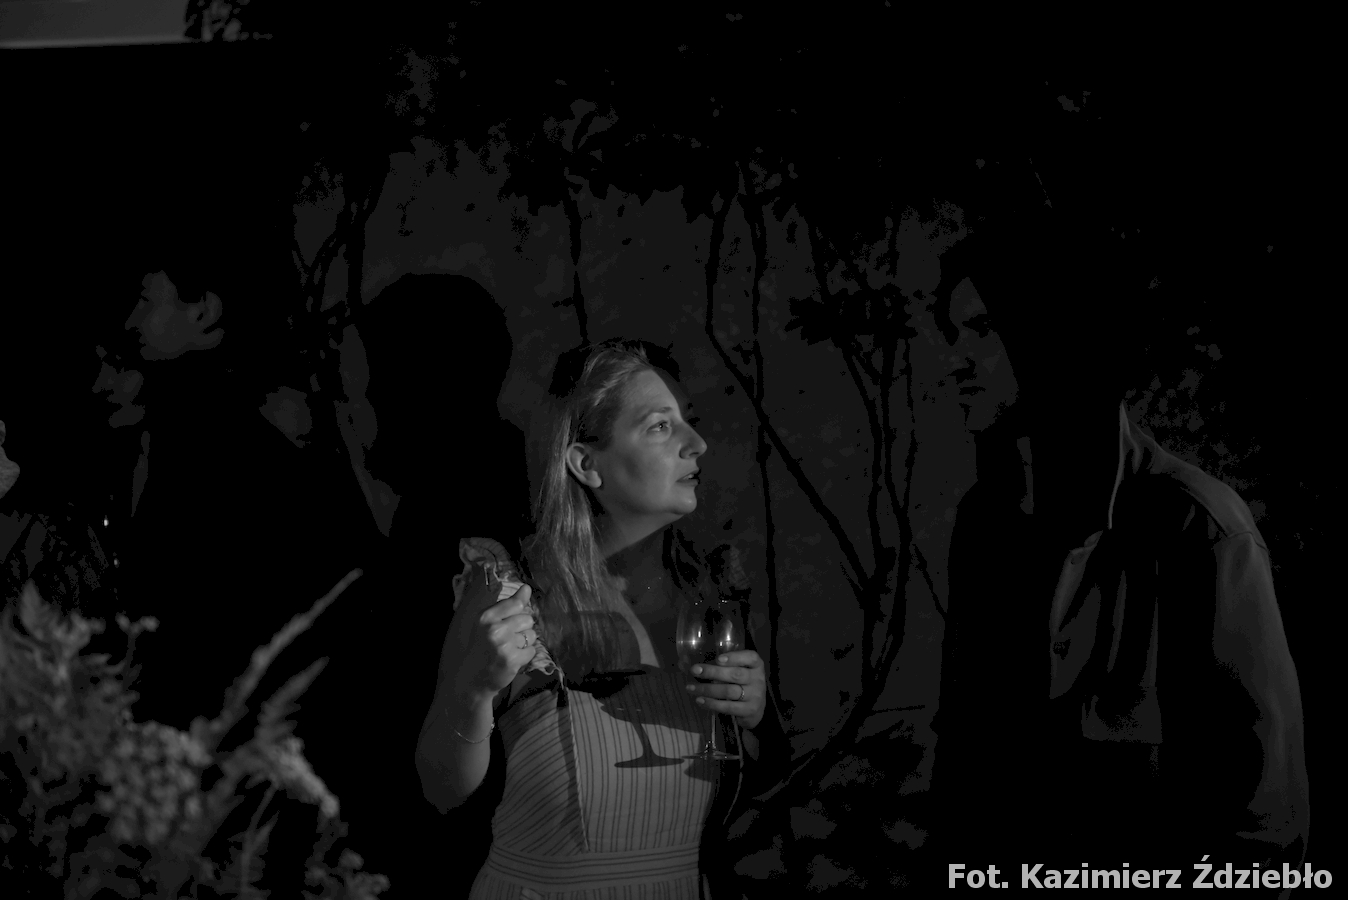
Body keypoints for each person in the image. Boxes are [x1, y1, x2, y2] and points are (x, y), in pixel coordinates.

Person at [415, 339, 790, 899]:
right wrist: (473, 690)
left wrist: (756, 719)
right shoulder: (509, 590)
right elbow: (440, 792)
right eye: (660, 426)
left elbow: (764, 776)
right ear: (586, 464)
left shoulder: (705, 596)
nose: (697, 443)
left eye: (688, 421)